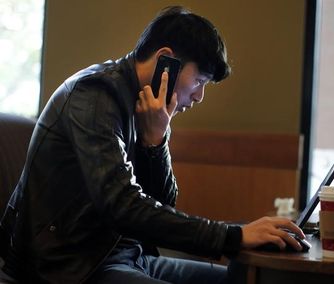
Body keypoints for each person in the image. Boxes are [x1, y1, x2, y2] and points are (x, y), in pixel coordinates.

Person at [0, 6, 305, 284]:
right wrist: (232, 237)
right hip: (70, 267)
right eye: (199, 80)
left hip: (123, 256)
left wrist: (156, 141)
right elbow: (121, 205)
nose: (199, 97)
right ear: (165, 61)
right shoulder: (93, 97)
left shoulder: (144, 109)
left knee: (239, 280)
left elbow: (162, 203)